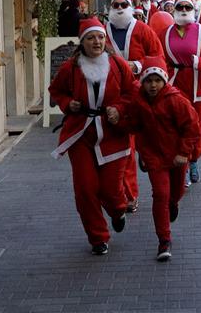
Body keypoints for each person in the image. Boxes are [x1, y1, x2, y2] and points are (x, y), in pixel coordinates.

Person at [49, 17, 136, 255]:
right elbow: (56, 90)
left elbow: (132, 92)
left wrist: (118, 108)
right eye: (90, 38)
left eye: (100, 37)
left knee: (110, 189)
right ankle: (98, 237)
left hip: (112, 133)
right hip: (81, 134)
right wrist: (69, 104)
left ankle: (117, 210)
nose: (96, 42)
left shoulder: (118, 65)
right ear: (82, 42)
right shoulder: (71, 67)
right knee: (86, 189)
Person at [119, 56, 200, 261]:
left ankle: (174, 203)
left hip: (176, 157)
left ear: (164, 80)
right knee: (160, 195)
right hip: (154, 157)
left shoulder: (176, 100)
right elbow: (133, 125)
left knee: (176, 192)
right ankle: (164, 240)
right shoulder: (139, 102)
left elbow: (192, 127)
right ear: (143, 82)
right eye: (148, 80)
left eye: (157, 80)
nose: (153, 85)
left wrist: (183, 153)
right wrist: (118, 120)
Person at [105, 0, 164, 213]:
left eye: (123, 5)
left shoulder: (143, 30)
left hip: (142, 95)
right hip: (114, 97)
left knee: (145, 142)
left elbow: (157, 58)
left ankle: (148, 161)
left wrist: (137, 66)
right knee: (125, 147)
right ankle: (129, 194)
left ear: (130, 6)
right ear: (111, 8)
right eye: (116, 5)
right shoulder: (102, 32)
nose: (120, 8)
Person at [161, 0, 201, 185]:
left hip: (197, 86)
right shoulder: (166, 33)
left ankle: (194, 160)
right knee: (177, 126)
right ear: (174, 10)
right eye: (180, 7)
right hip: (175, 85)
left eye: (187, 7)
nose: (184, 11)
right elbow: (162, 59)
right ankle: (182, 167)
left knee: (195, 126)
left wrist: (198, 62)